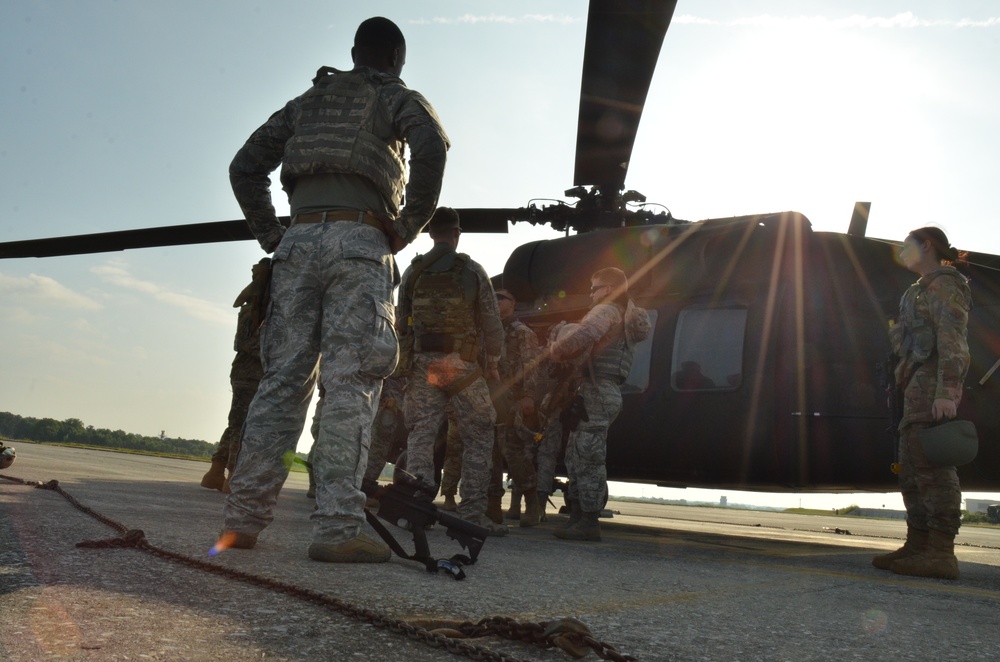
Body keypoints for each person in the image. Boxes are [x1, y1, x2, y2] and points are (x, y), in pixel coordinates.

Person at [221, 16, 449, 563]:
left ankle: (243, 521)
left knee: (280, 383)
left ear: (353, 52)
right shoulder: (395, 96)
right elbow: (433, 148)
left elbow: (244, 166)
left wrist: (272, 234)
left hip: (297, 244)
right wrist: (408, 226)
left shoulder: (306, 101)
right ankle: (336, 528)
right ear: (395, 57)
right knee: (350, 386)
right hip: (359, 241)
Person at [397, 207, 508, 535]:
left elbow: (401, 322)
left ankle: (415, 508)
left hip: (422, 366)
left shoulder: (412, 272)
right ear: (457, 234)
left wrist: (407, 364)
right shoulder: (472, 271)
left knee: (421, 434)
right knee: (479, 434)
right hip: (462, 367)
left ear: (430, 234)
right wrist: (493, 364)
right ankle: (469, 517)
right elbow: (492, 324)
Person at [874, 227, 971, 579]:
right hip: (913, 385)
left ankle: (942, 552)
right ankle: (918, 544)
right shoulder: (917, 290)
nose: (901, 251)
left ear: (926, 245)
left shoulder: (946, 284)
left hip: (932, 384)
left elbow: (952, 341)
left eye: (907, 245)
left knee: (934, 467)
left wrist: (947, 391)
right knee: (912, 468)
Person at [548, 267, 650, 541]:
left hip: (598, 390)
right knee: (576, 454)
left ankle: (589, 521)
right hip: (599, 390)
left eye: (594, 288)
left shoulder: (606, 310)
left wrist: (556, 348)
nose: (591, 294)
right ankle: (579, 516)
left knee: (589, 457)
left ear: (607, 290)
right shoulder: (623, 313)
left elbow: (582, 337)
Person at [201, 258, 270, 492]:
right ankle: (232, 476)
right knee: (241, 425)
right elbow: (246, 343)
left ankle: (216, 470)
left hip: (252, 374)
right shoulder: (256, 307)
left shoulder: (260, 304)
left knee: (238, 423)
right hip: (250, 374)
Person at [494, 289, 543, 527]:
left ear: (513, 304)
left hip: (513, 402)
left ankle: (532, 503)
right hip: (492, 400)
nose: (496, 301)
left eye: (501, 297)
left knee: (516, 455)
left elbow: (531, 366)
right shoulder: (491, 331)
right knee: (489, 454)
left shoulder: (522, 333)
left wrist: (529, 395)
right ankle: (492, 504)